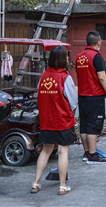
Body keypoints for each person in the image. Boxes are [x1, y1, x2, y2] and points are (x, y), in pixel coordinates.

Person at [32, 46, 77, 196]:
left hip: (47, 121)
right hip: (63, 121)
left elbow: (40, 98)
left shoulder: (44, 76)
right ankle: (62, 186)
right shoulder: (65, 77)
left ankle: (36, 183)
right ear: (64, 59)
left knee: (46, 151)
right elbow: (73, 103)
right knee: (63, 151)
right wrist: (71, 117)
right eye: (67, 57)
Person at [76, 31, 106, 164]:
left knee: (84, 125)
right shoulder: (96, 57)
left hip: (82, 96)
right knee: (93, 125)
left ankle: (87, 153)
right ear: (98, 42)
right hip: (95, 96)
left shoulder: (79, 57)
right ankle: (92, 155)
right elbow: (102, 77)